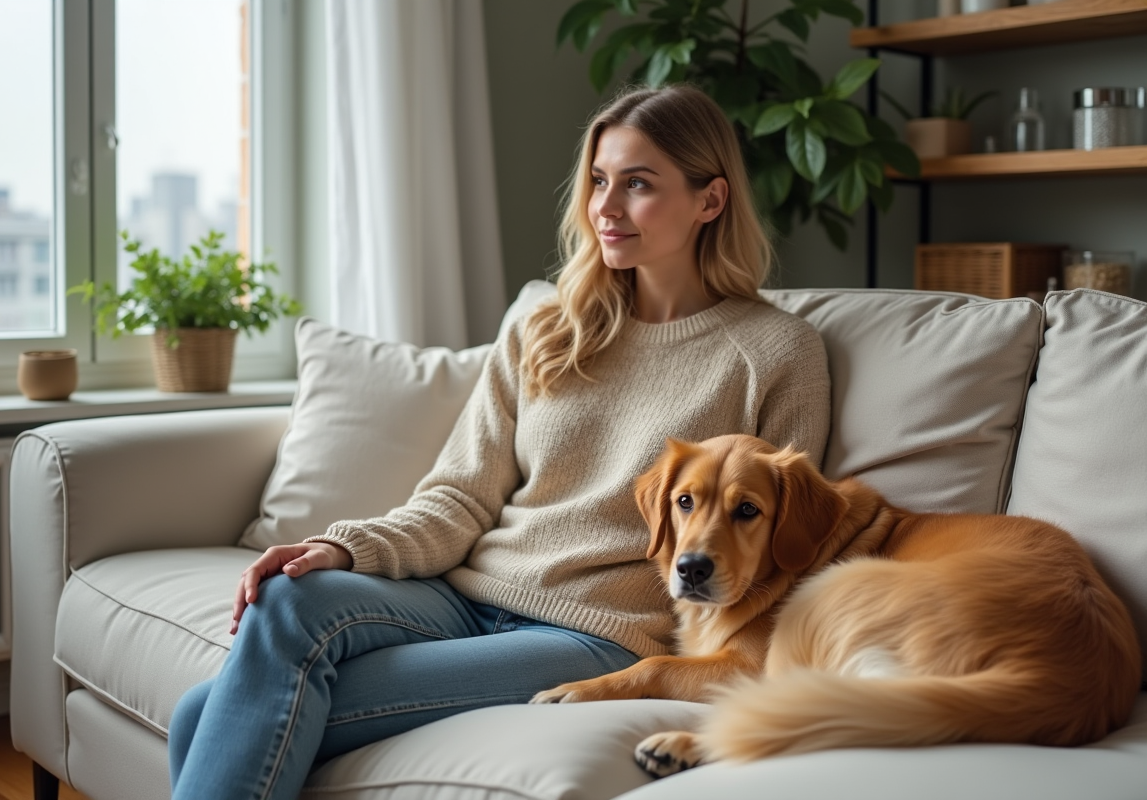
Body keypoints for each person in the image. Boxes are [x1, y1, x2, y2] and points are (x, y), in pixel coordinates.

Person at [168, 83, 832, 800]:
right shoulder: (547, 327)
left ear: (710, 200)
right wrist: (344, 549)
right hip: (463, 598)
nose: (605, 208)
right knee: (286, 599)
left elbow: (780, 551)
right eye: (599, 181)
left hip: (592, 636)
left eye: (638, 184)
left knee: (201, 718)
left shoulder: (775, 353)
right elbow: (460, 496)